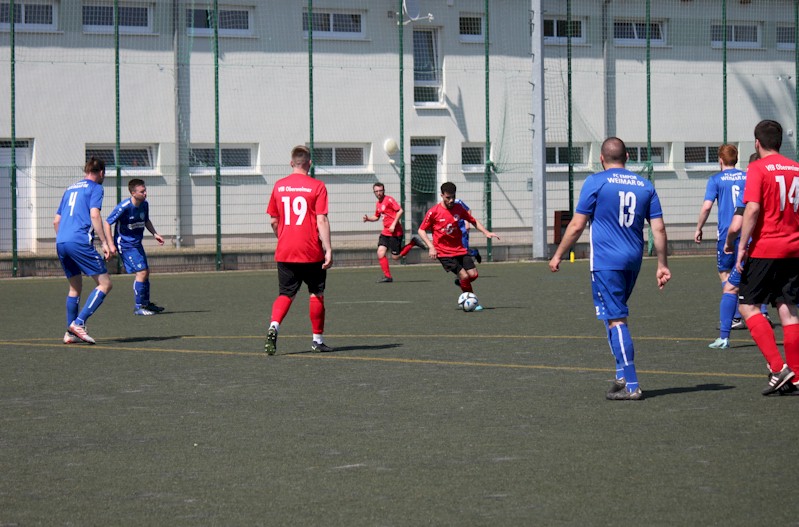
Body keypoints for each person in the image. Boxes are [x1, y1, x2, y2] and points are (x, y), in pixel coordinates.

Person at [549, 137, 670, 401]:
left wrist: (558, 253)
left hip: (606, 262)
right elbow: (658, 228)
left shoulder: (596, 181)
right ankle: (621, 374)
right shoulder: (645, 185)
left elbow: (577, 225)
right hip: (633, 260)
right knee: (610, 314)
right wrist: (662, 264)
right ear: (627, 157)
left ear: (602, 159)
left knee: (616, 319)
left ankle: (632, 384)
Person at [735, 119, 799, 395]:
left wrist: (742, 246)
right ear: (780, 143)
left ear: (757, 143)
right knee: (788, 310)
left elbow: (752, 209)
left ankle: (778, 368)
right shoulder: (796, 168)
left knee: (747, 307)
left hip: (765, 249)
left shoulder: (757, 168)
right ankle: (796, 376)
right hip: (794, 249)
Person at [264, 145, 333, 355]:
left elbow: (274, 221)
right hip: (311, 251)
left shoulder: (279, 186)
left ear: (291, 163)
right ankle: (317, 340)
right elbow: (321, 219)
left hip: (285, 250)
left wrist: (283, 237)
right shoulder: (317, 186)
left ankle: (273, 326)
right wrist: (328, 249)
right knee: (316, 294)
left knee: (285, 294)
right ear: (309, 164)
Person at [54, 157, 114, 345]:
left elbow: (56, 221)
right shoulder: (96, 188)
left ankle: (70, 333)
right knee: (105, 284)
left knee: (75, 287)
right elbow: (94, 214)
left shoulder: (70, 189)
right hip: (78, 241)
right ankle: (78, 323)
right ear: (101, 172)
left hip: (61, 241)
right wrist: (104, 242)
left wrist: (64, 239)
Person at [694, 145, 747, 346]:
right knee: (744, 274)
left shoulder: (715, 180)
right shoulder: (747, 177)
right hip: (747, 233)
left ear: (720, 160)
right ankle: (755, 312)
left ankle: (734, 317)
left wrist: (699, 227)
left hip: (726, 235)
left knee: (725, 275)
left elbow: (707, 206)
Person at [417, 182, 499, 311]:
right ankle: (473, 303)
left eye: (453, 197)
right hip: (444, 253)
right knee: (465, 276)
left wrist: (486, 232)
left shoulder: (459, 208)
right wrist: (431, 246)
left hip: (460, 249)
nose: (451, 200)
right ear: (442, 195)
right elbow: (421, 230)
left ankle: (461, 283)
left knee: (474, 275)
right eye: (448, 197)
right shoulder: (433, 212)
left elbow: (473, 221)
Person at [103, 178, 165, 316]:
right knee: (141, 272)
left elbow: (146, 220)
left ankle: (146, 304)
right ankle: (139, 307)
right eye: (142, 191)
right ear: (133, 193)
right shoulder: (124, 207)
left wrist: (155, 234)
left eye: (145, 190)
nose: (145, 193)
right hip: (125, 245)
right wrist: (110, 244)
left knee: (146, 272)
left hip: (136, 243)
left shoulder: (144, 204)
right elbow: (107, 223)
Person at [362, 182, 427, 283]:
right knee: (380, 253)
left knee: (395, 257)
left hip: (395, 233)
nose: (379, 193)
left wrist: (393, 224)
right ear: (374, 192)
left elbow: (400, 211)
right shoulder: (378, 203)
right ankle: (388, 277)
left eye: (380, 191)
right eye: (376, 191)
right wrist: (368, 219)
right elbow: (377, 216)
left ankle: (413, 243)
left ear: (384, 190)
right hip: (385, 233)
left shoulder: (389, 200)